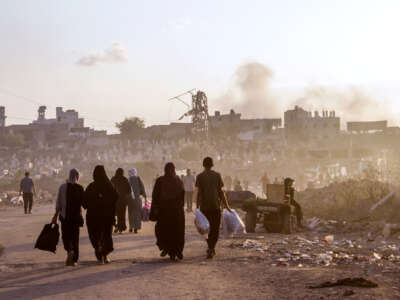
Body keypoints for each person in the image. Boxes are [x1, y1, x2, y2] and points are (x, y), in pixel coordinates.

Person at [196, 157, 232, 259]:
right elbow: (221, 193)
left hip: (204, 208)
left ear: (203, 164)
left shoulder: (200, 176)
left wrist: (197, 207)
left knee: (206, 229)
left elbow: (199, 193)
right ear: (212, 164)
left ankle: (210, 247)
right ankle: (212, 248)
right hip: (216, 207)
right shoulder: (217, 175)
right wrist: (227, 206)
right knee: (215, 229)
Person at [83, 165, 118, 264]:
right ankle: (104, 255)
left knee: (96, 237)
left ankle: (100, 255)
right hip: (107, 216)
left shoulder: (91, 186)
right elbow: (115, 198)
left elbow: (84, 203)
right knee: (106, 236)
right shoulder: (110, 185)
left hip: (93, 217)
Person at [151, 162, 185, 261]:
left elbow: (155, 196)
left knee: (163, 230)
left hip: (164, 211)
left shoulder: (160, 181)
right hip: (177, 211)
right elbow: (182, 196)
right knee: (177, 231)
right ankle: (177, 251)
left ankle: (167, 248)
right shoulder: (178, 180)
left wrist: (155, 209)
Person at [52, 169, 84, 266]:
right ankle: (74, 260)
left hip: (65, 217)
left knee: (66, 236)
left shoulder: (62, 187)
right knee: (75, 238)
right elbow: (85, 203)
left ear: (69, 176)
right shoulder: (80, 188)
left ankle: (69, 250)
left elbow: (59, 203)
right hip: (76, 217)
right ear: (77, 177)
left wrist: (55, 215)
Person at [111, 168, 131, 234]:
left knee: (114, 214)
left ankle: (116, 226)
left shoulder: (113, 179)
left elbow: (110, 189)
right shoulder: (125, 179)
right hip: (123, 201)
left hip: (114, 200)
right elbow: (129, 190)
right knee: (121, 215)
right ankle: (121, 228)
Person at [128, 168, 147, 233]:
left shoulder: (128, 180)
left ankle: (131, 227)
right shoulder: (138, 179)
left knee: (131, 213)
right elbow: (142, 188)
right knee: (137, 214)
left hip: (130, 200)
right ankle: (136, 228)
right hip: (137, 199)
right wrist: (144, 196)